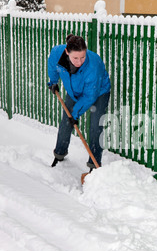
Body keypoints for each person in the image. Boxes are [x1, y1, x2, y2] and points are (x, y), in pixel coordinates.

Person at [47, 34, 111, 173]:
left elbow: (90, 96)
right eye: (75, 58)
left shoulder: (93, 66)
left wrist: (75, 114)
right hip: (74, 91)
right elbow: (52, 67)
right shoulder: (57, 53)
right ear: (66, 52)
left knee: (95, 126)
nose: (79, 61)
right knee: (66, 121)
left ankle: (94, 165)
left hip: (98, 92)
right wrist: (53, 82)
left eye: (82, 57)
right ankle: (59, 155)